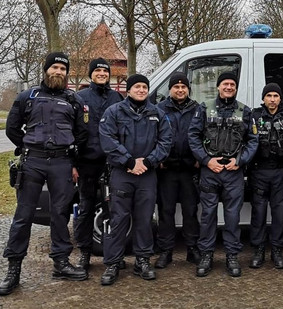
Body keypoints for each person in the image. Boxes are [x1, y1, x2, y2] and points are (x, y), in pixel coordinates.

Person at [0, 52, 89, 296]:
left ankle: (61, 263)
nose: (58, 72)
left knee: (60, 214)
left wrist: (73, 161)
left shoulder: (74, 100)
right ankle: (14, 269)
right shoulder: (27, 96)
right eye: (55, 68)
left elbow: (82, 133)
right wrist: (28, 145)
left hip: (62, 162)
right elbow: (12, 128)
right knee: (23, 215)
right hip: (33, 162)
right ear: (46, 70)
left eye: (63, 68)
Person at [98, 74, 172, 285]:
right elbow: (107, 139)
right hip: (122, 173)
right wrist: (129, 162)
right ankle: (113, 262)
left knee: (144, 219)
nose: (141, 90)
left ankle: (142, 260)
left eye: (144, 87)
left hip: (147, 174)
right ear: (128, 90)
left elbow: (166, 141)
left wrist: (148, 162)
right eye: (137, 86)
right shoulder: (114, 112)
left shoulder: (157, 114)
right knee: (118, 219)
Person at [188, 72, 258, 278]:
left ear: (236, 88)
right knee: (208, 215)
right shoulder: (204, 108)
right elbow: (193, 135)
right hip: (210, 170)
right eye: (225, 84)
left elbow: (253, 140)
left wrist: (240, 161)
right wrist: (206, 160)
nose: (228, 87)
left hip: (233, 172)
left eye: (232, 84)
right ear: (218, 87)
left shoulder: (245, 111)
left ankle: (232, 256)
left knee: (232, 217)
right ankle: (206, 255)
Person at [74, 57, 124, 271]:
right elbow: (73, 131)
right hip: (87, 162)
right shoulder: (80, 97)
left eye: (105, 71)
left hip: (112, 162)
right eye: (98, 71)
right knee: (85, 208)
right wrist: (73, 163)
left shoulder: (117, 97)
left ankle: (114, 254)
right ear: (91, 74)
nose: (102, 74)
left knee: (114, 209)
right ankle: (85, 253)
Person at [154, 72, 201, 269]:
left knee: (191, 211)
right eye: (176, 87)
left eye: (183, 87)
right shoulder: (159, 109)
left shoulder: (197, 109)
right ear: (170, 89)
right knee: (166, 211)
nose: (180, 90)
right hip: (167, 169)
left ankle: (193, 249)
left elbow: (203, 135)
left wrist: (200, 158)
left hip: (190, 169)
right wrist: (158, 159)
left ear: (188, 89)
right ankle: (166, 251)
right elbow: (153, 136)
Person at [248, 83, 283, 270]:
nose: (272, 99)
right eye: (269, 96)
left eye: (275, 95)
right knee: (258, 212)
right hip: (258, 170)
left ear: (280, 98)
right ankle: (258, 250)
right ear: (263, 98)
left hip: (281, 171)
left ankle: (277, 249)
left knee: (279, 212)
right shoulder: (254, 116)